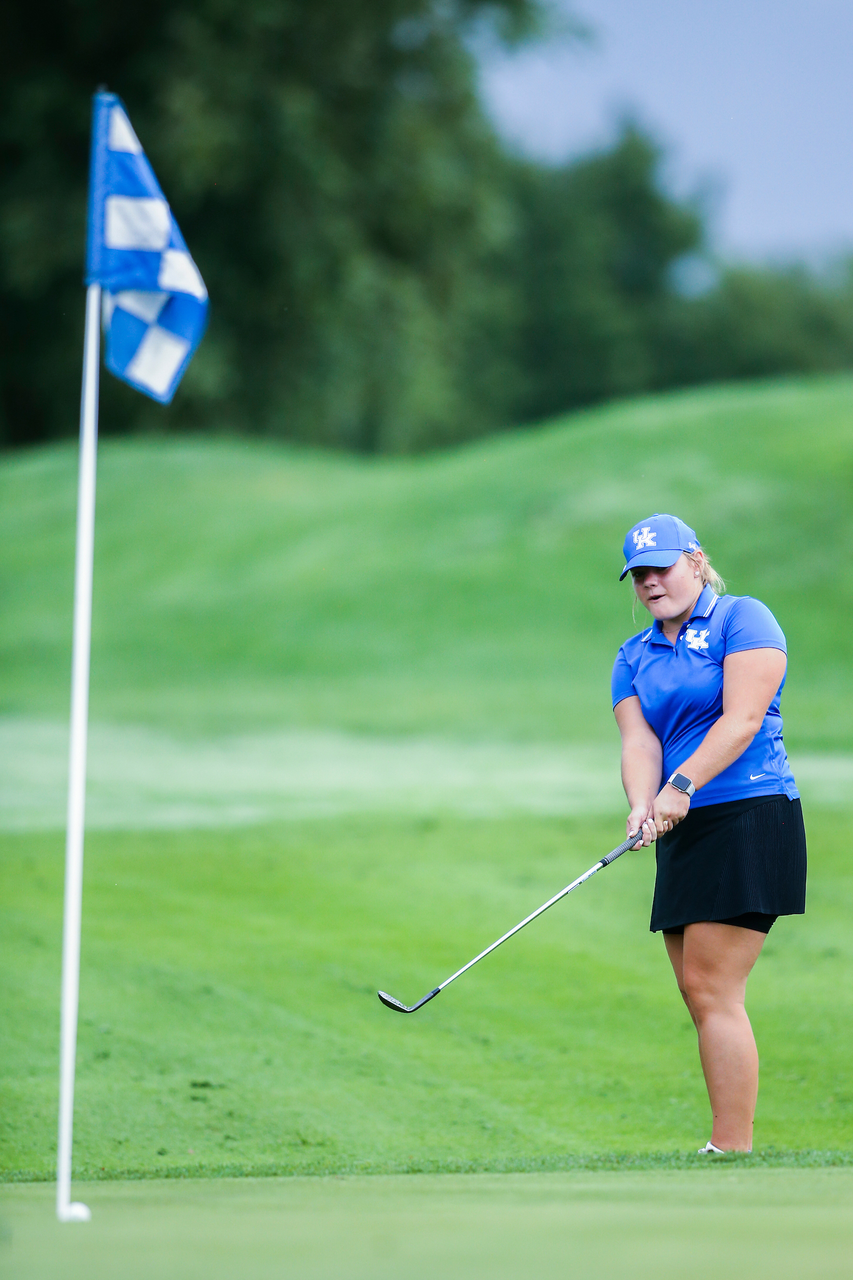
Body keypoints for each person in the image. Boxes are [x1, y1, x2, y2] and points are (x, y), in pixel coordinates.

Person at [611, 513, 806, 1154]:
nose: (650, 582)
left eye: (661, 567)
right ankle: (729, 1148)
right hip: (682, 824)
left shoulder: (743, 619)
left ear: (696, 561)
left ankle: (730, 1149)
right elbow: (639, 739)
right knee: (698, 990)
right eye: (639, 574)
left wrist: (682, 785)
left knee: (714, 986)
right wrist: (642, 804)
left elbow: (743, 718)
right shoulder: (633, 655)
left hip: (750, 811)